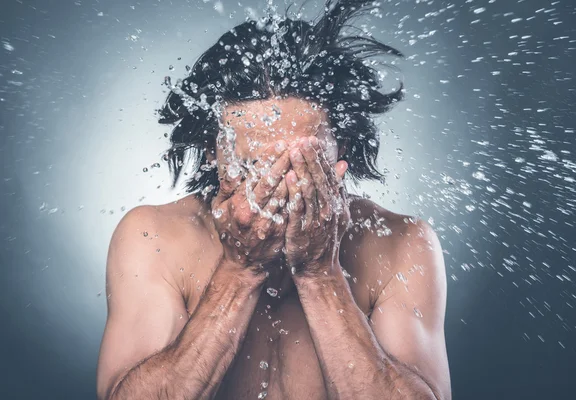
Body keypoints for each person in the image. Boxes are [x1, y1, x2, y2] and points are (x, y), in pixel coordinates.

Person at [96, 1, 451, 399]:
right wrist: (239, 271)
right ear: (213, 151)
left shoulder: (402, 242)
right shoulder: (153, 237)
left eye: (301, 162)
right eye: (253, 166)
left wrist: (320, 274)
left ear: (341, 148)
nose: (276, 187)